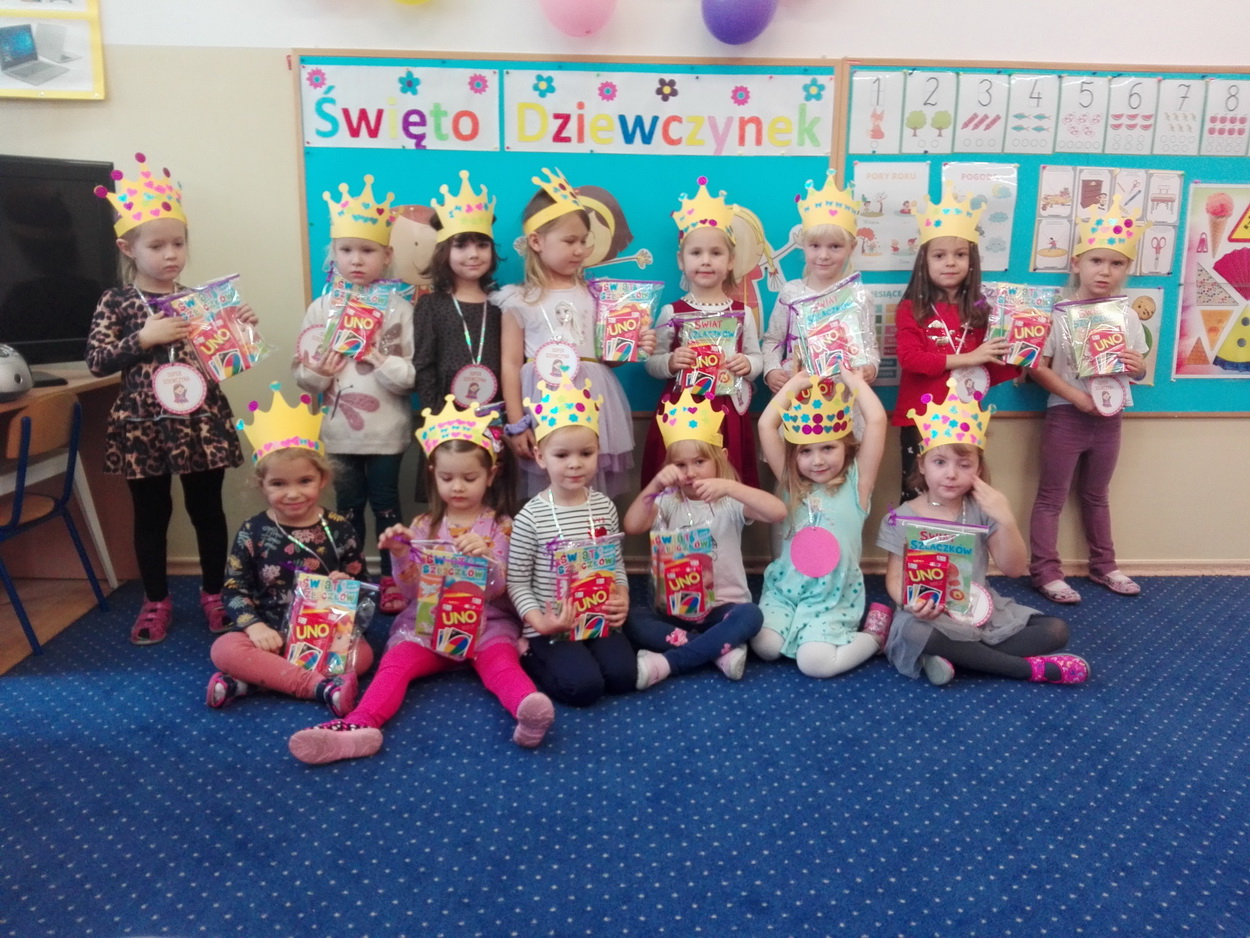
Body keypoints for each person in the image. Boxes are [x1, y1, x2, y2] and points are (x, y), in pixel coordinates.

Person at [288, 396, 556, 764]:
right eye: (447, 478)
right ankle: (360, 726)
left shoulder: (502, 526)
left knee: (502, 665)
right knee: (395, 664)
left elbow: (500, 591)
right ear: (433, 474)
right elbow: (410, 592)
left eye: (469, 478)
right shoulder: (422, 526)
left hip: (486, 626)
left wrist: (488, 560)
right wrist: (400, 554)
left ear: (491, 475)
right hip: (427, 629)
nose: (457, 487)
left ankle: (528, 709)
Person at [86, 153, 247, 644]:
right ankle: (156, 600)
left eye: (178, 243)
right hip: (143, 426)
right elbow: (97, 360)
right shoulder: (116, 301)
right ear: (128, 247)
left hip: (200, 422)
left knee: (208, 511)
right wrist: (143, 337)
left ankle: (215, 594)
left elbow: (225, 364)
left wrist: (238, 332)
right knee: (151, 516)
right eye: (157, 245)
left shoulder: (200, 300)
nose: (171, 254)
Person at [876, 380, 1090, 686]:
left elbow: (1013, 569)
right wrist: (911, 604)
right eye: (939, 462)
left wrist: (1006, 518)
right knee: (913, 631)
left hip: (978, 609)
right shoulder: (900, 518)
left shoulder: (983, 509)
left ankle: (956, 658)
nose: (951, 474)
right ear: (922, 465)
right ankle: (1023, 669)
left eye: (964, 464)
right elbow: (896, 578)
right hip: (927, 615)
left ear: (977, 468)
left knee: (1056, 630)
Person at [205, 385, 372, 715]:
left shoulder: (340, 528)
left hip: (324, 634)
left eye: (304, 481)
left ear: (322, 479)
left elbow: (363, 586)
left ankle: (250, 682)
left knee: (363, 655)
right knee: (223, 648)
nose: (293, 494)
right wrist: (254, 627)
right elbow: (234, 588)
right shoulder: (252, 530)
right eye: (279, 484)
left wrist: (348, 587)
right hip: (267, 634)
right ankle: (318, 687)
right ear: (262, 485)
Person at [294, 174, 415, 616]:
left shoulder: (399, 309)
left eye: (368, 250)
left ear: (387, 255)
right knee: (346, 511)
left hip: (387, 433)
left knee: (387, 507)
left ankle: (391, 578)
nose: (357, 260)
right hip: (339, 432)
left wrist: (377, 356)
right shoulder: (321, 308)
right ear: (334, 253)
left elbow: (410, 377)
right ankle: (351, 576)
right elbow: (302, 377)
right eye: (346, 250)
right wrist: (319, 372)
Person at [497, 167, 655, 498]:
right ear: (536, 241)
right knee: (547, 483)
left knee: (589, 481)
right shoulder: (518, 299)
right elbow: (510, 364)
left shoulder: (597, 295)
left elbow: (607, 358)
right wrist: (516, 423)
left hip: (593, 397)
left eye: (584, 241)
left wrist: (631, 346)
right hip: (540, 401)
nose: (580, 249)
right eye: (570, 241)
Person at [1028, 198, 1150, 603]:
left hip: (1110, 417)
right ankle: (1046, 572)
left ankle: (1104, 565)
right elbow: (1037, 367)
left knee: (1097, 495)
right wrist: (1075, 397)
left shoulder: (1127, 316)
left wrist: (1138, 368)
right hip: (1067, 415)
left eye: (1116, 264)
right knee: (1051, 496)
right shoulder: (1059, 314)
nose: (1105, 271)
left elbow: (1137, 369)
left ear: (1126, 269)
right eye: (1096, 260)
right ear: (1077, 263)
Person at [624, 389, 785, 689]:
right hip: (676, 611)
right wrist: (655, 485)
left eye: (700, 462)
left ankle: (670, 662)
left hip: (724, 610)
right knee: (632, 620)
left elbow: (778, 512)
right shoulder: (667, 501)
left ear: (720, 457)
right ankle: (716, 650)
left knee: (751, 616)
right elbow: (633, 525)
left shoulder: (730, 501)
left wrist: (731, 487)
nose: (690, 472)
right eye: (680, 465)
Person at [752, 369, 892, 677]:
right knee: (764, 646)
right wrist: (795, 384)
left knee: (814, 663)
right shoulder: (790, 481)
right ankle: (796, 630)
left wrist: (854, 381)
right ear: (794, 455)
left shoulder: (857, 483)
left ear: (846, 446)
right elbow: (766, 425)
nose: (817, 460)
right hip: (785, 591)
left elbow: (877, 421)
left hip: (832, 596)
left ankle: (873, 636)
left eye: (828, 448)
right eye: (806, 451)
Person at [507, 372, 635, 705]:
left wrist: (622, 595)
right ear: (540, 456)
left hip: (596, 616)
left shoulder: (604, 507)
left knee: (624, 677)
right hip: (551, 626)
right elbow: (517, 583)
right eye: (562, 455)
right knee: (584, 688)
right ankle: (526, 653)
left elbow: (615, 566)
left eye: (586, 453)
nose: (575, 464)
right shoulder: (530, 517)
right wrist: (541, 623)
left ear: (598, 452)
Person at [892, 185, 1016, 500]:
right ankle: (916, 537)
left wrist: (1026, 345)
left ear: (972, 261)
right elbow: (910, 359)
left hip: (965, 418)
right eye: (939, 255)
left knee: (961, 494)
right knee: (917, 494)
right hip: (920, 418)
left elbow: (992, 367)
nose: (950, 262)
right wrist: (970, 357)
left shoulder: (982, 310)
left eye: (960, 255)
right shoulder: (910, 309)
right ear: (924, 261)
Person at [642, 176, 762, 487]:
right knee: (681, 483)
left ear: (731, 260)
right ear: (681, 260)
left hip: (727, 410)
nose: (706, 261)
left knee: (727, 477)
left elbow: (756, 356)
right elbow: (652, 361)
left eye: (716, 253)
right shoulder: (672, 312)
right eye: (696, 253)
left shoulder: (742, 313)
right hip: (682, 411)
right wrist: (670, 362)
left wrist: (748, 365)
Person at [762, 172, 875, 394]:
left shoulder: (859, 296)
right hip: (798, 394)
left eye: (835, 246)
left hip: (843, 395)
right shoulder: (791, 292)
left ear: (851, 248)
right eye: (815, 246)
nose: (823, 255)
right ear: (804, 245)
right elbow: (773, 340)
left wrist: (871, 366)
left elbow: (870, 345)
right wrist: (772, 370)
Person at [412, 170, 504, 414]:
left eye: (482, 245)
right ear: (445, 252)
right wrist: (434, 417)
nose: (473, 254)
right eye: (461, 246)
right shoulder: (431, 306)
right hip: (444, 418)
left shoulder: (502, 304)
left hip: (496, 416)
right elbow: (424, 366)